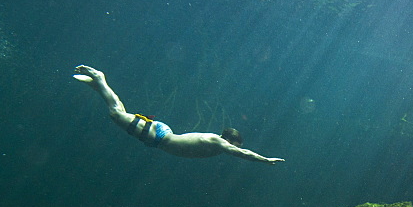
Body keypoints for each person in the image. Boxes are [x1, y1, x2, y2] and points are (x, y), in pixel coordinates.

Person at [73, 65, 285, 164]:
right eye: (235, 144)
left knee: (120, 113)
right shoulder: (217, 141)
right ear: (230, 139)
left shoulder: (215, 145)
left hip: (160, 138)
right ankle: (99, 77)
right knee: (116, 113)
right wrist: (264, 160)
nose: (233, 149)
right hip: (160, 136)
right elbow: (243, 154)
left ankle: (97, 86)